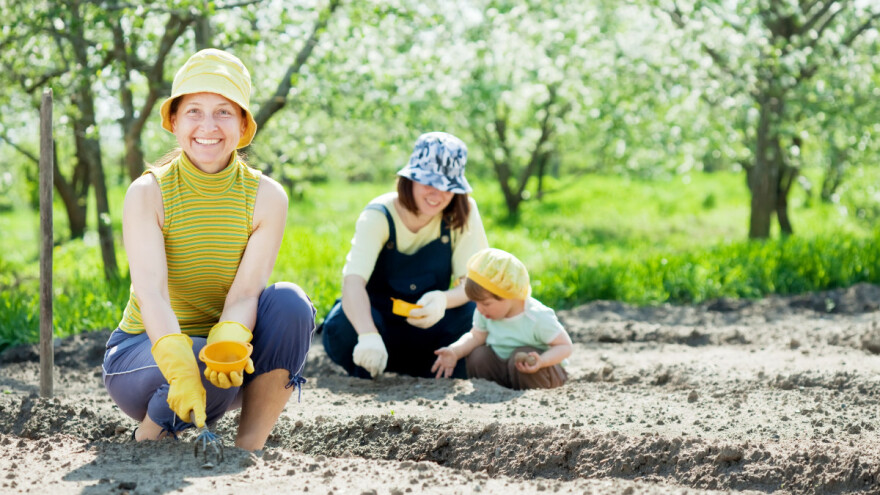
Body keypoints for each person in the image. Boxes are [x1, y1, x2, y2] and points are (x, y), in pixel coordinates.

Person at [101, 48, 316, 451]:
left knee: (291, 304)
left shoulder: (267, 197)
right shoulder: (149, 192)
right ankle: (146, 440)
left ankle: (247, 449)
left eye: (223, 112)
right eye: (194, 111)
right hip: (141, 357)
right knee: (199, 357)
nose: (208, 126)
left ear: (243, 124)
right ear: (174, 121)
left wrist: (230, 340)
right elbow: (152, 293)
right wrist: (180, 363)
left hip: (221, 367)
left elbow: (246, 293)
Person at [321, 132, 489, 379]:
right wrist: (368, 335)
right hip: (379, 323)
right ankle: (369, 361)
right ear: (410, 180)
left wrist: (443, 300)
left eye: (447, 187)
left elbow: (472, 284)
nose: (437, 194)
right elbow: (353, 282)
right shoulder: (379, 215)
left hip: (430, 327)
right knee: (342, 325)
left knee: (475, 312)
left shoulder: (462, 212)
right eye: (429, 183)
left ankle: (437, 367)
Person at [431, 248, 572, 389]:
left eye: (486, 303)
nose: (479, 308)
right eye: (476, 303)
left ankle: (533, 395)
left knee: (521, 356)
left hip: (541, 372)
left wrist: (542, 361)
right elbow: (476, 336)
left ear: (508, 294)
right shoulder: (484, 313)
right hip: (504, 370)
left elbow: (565, 346)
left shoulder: (537, 317)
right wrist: (455, 351)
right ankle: (489, 391)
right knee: (479, 355)